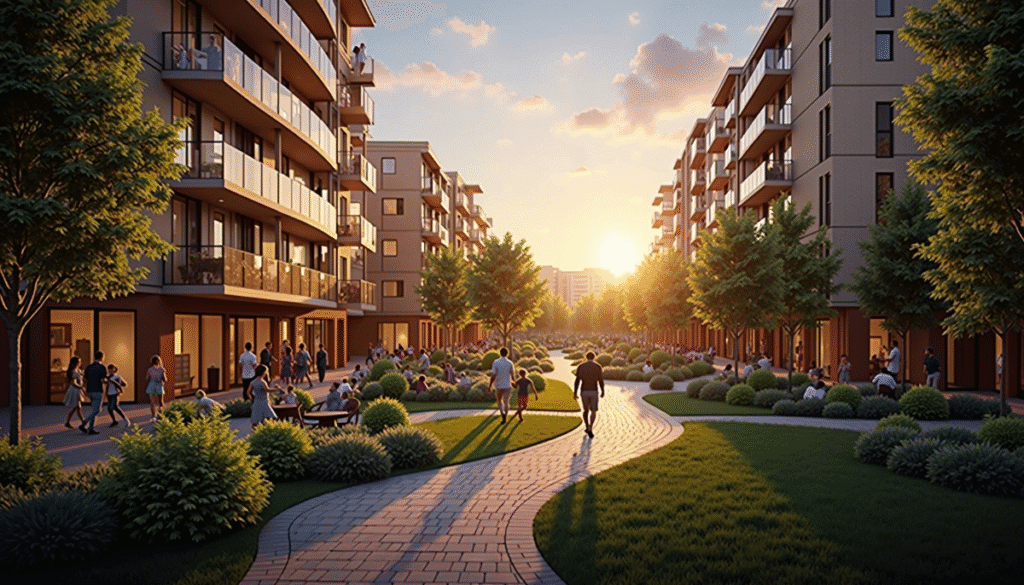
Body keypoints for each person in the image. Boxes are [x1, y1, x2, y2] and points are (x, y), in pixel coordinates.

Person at [574, 351, 605, 438]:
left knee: (585, 410)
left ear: (586, 357)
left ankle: (587, 426)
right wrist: (603, 391)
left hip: (584, 391)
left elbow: (577, 380)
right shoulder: (598, 367)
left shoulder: (581, 366)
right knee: (593, 411)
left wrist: (575, 392)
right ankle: (591, 427)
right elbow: (601, 381)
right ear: (594, 357)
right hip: (594, 391)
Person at [80, 351, 106, 435]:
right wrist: (107, 381)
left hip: (90, 390)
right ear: (101, 357)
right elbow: (103, 380)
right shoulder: (102, 367)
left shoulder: (88, 367)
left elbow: (85, 379)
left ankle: (91, 428)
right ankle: (84, 424)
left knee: (93, 409)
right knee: (97, 409)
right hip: (98, 390)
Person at [488, 347, 516, 424]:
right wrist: (514, 383)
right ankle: (505, 416)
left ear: (500, 353)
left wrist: (490, 385)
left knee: (499, 401)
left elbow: (493, 375)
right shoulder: (510, 363)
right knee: (506, 402)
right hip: (508, 385)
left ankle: (502, 414)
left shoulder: (496, 362)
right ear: (507, 353)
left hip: (499, 385)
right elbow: (512, 375)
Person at [63, 356, 85, 429]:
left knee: (76, 408)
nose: (80, 363)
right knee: (78, 407)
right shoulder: (73, 371)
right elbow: (73, 383)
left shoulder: (78, 370)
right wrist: (81, 387)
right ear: (75, 363)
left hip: (77, 390)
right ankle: (84, 422)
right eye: (79, 361)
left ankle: (68, 422)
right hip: (75, 390)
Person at [145, 354, 167, 421]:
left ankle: (153, 417)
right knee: (160, 402)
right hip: (159, 385)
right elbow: (165, 379)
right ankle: (160, 415)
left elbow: (147, 378)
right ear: (158, 361)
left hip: (151, 385)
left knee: (152, 403)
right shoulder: (161, 369)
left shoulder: (150, 369)